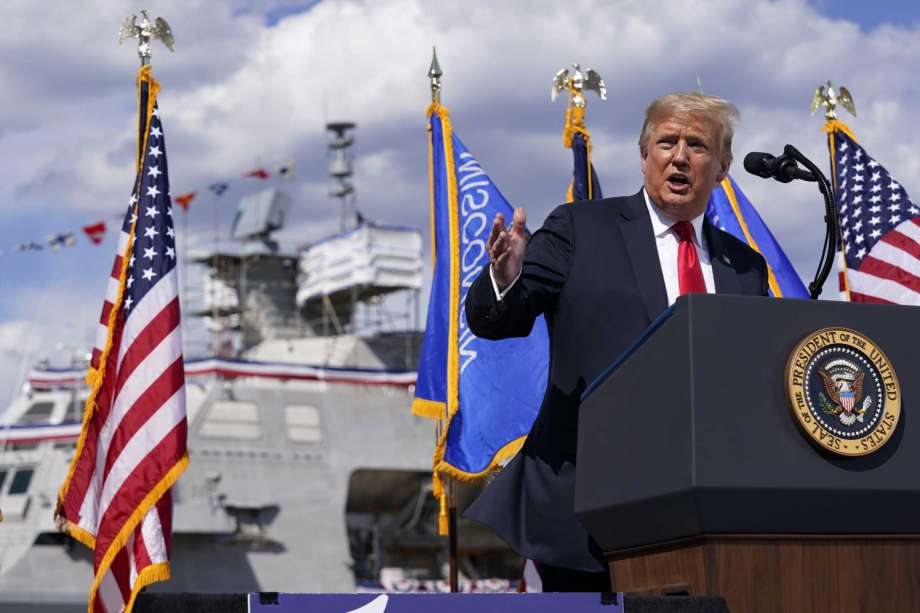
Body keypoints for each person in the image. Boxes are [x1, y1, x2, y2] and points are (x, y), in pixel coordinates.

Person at [463, 93, 769, 591]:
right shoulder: (580, 229)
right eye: (666, 142)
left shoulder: (745, 267)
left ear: (722, 168)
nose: (679, 157)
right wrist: (505, 277)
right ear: (643, 156)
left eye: (697, 145)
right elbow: (500, 319)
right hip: (584, 516)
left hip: (701, 515)